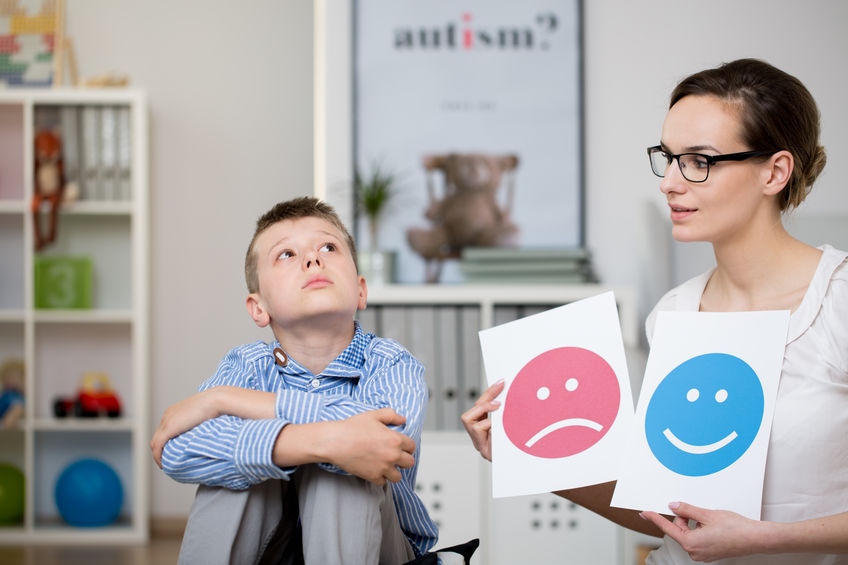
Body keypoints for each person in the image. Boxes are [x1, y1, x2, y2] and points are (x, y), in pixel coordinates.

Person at [462, 58, 848, 564]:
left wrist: (764, 538)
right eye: (667, 157)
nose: (669, 182)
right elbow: (665, 513)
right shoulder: (674, 313)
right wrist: (536, 459)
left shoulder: (837, 301)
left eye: (698, 161)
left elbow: (747, 535)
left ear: (774, 172)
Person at [150, 197, 438, 564]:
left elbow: (383, 444)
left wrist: (225, 402)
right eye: (286, 254)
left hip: (377, 548)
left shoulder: (391, 363)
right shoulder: (247, 365)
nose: (313, 259)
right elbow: (176, 449)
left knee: (344, 472)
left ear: (361, 290)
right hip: (268, 544)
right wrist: (320, 441)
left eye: (329, 247)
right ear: (259, 308)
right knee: (233, 478)